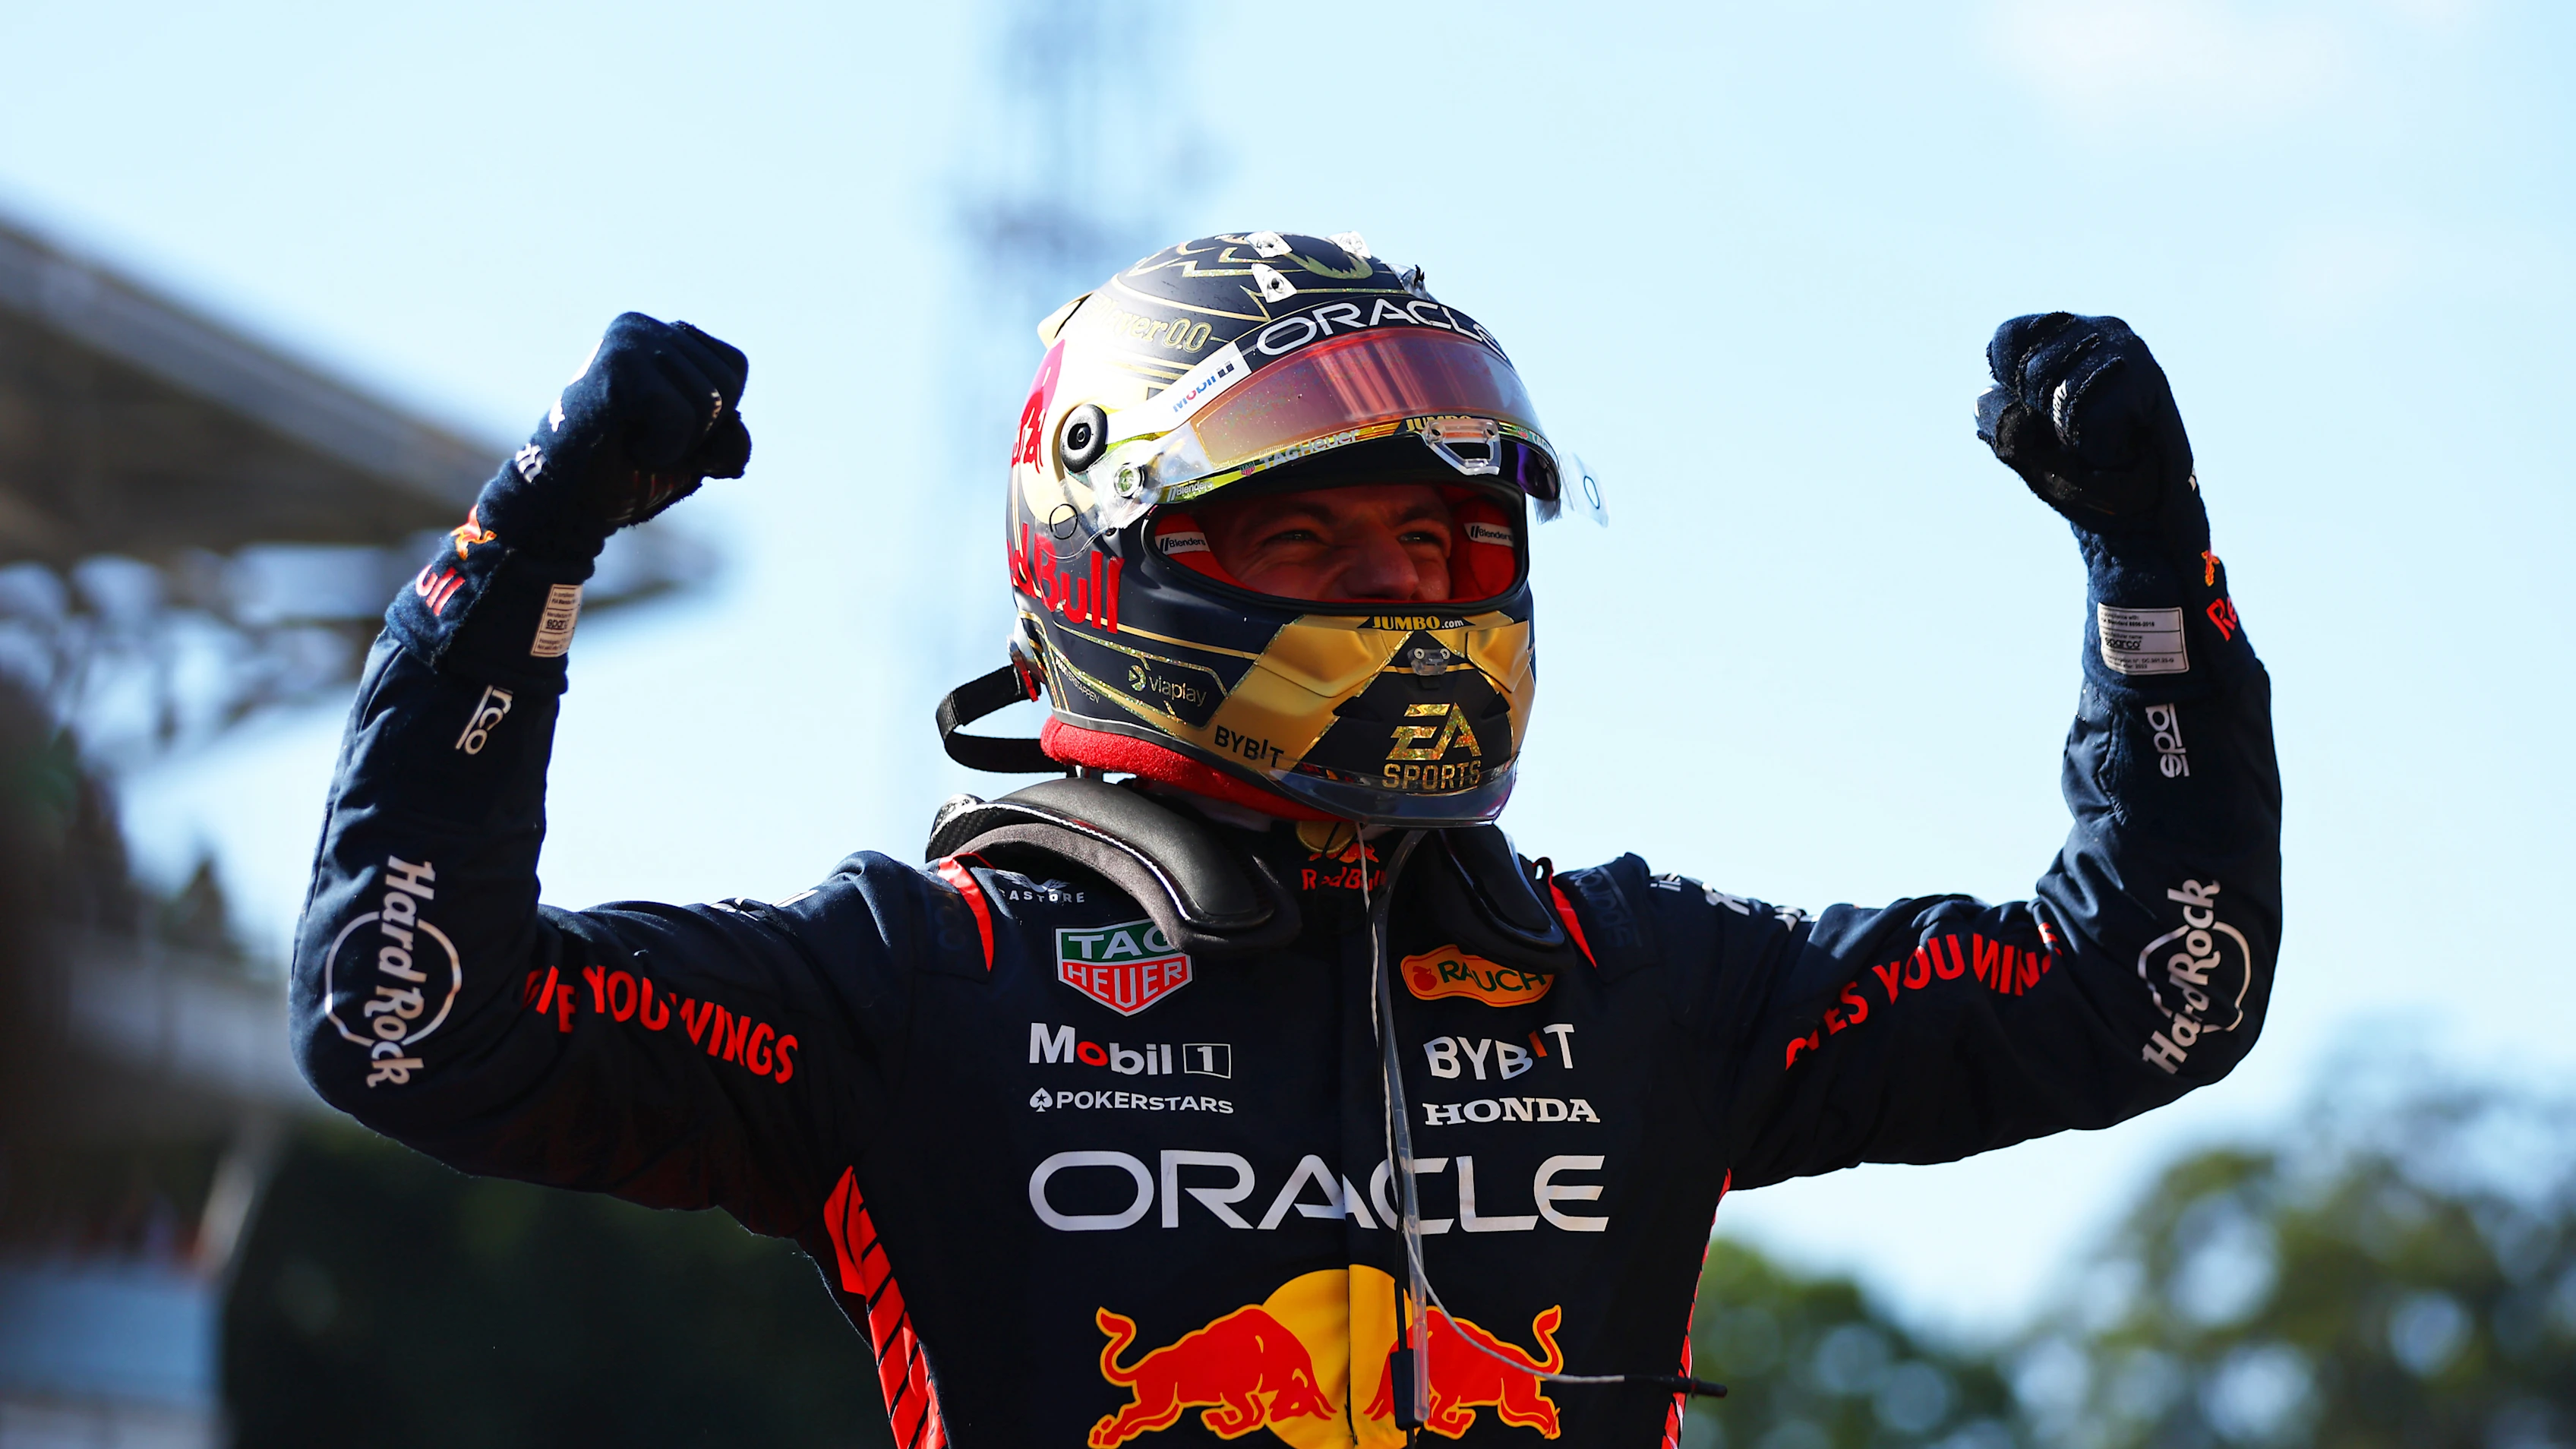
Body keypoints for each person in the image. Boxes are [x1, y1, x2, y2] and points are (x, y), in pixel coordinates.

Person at [292, 232, 2279, 1449]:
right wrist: (522, 562)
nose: (1402, 597)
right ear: (1117, 560)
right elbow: (414, 1026)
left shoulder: (1641, 985)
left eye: (1436, 540)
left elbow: (2146, 997)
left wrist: (2149, 575)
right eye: (1311, 538)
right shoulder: (920, 988)